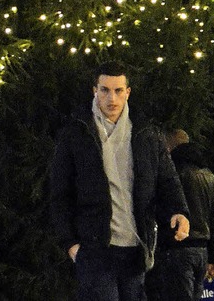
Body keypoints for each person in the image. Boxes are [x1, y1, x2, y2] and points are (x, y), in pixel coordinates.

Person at [50, 61, 190, 301]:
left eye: (118, 90)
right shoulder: (77, 133)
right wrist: (70, 243)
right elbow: (59, 191)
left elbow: (167, 179)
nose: (111, 98)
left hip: (135, 247)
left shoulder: (146, 134)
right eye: (104, 90)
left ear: (128, 92)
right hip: (95, 248)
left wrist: (179, 211)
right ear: (95, 90)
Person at [147, 129, 214, 301]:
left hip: (177, 251)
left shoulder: (171, 177)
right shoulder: (209, 176)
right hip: (201, 252)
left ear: (169, 147)